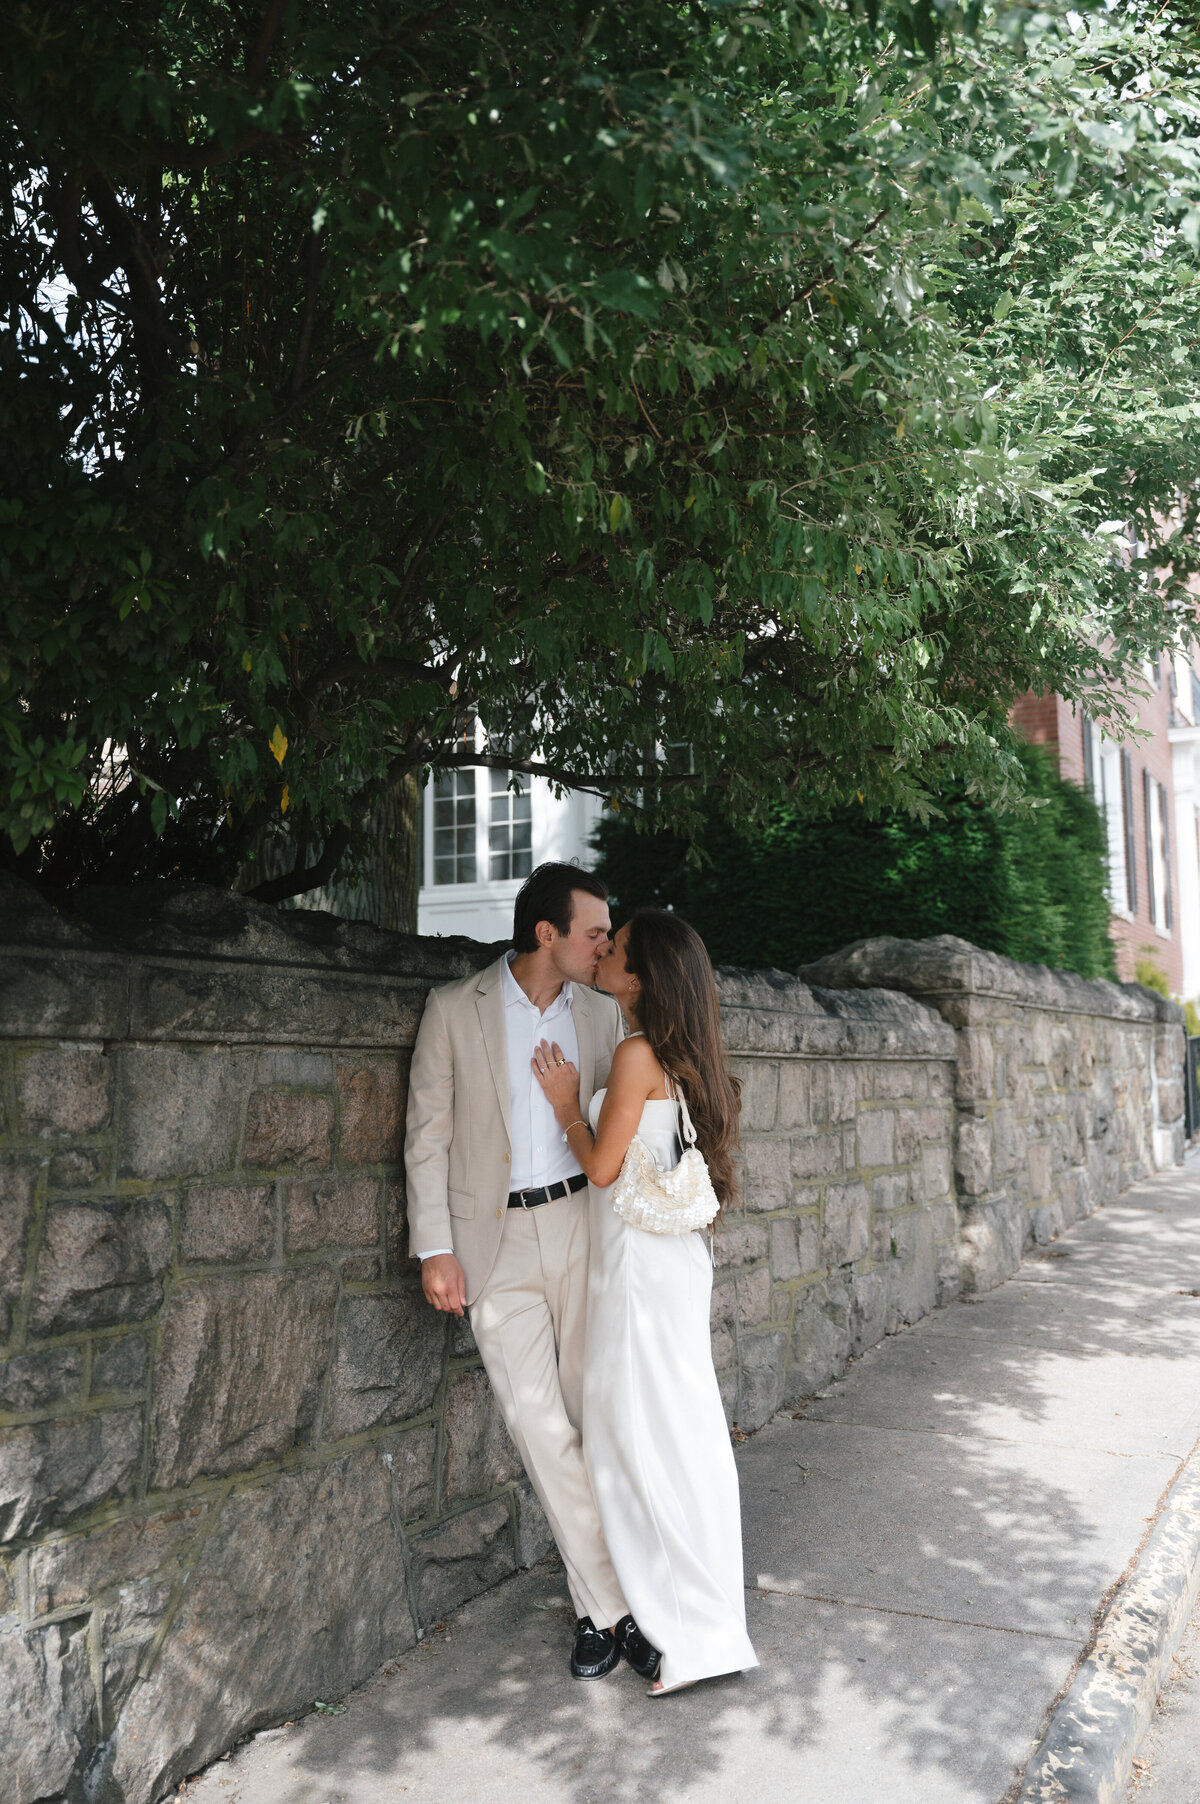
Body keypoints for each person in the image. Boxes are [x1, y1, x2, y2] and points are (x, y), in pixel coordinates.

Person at [405, 862, 656, 1681]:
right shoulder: (454, 1009)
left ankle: (597, 1614)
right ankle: (619, 1610)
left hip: (585, 1223)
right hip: (495, 1243)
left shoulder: (603, 1013)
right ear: (546, 933)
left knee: (594, 1416)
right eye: (593, 933)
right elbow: (427, 1137)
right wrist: (434, 1246)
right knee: (538, 1427)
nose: (604, 946)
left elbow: (632, 1120)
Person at [531, 907, 759, 1695]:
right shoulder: (680, 1051)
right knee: (678, 1432)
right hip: (665, 1262)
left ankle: (685, 1631)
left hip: (637, 1270)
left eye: (617, 948)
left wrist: (566, 1103)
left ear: (643, 976)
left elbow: (601, 1169)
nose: (604, 953)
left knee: (640, 1440)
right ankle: (702, 1625)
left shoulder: (634, 1054)